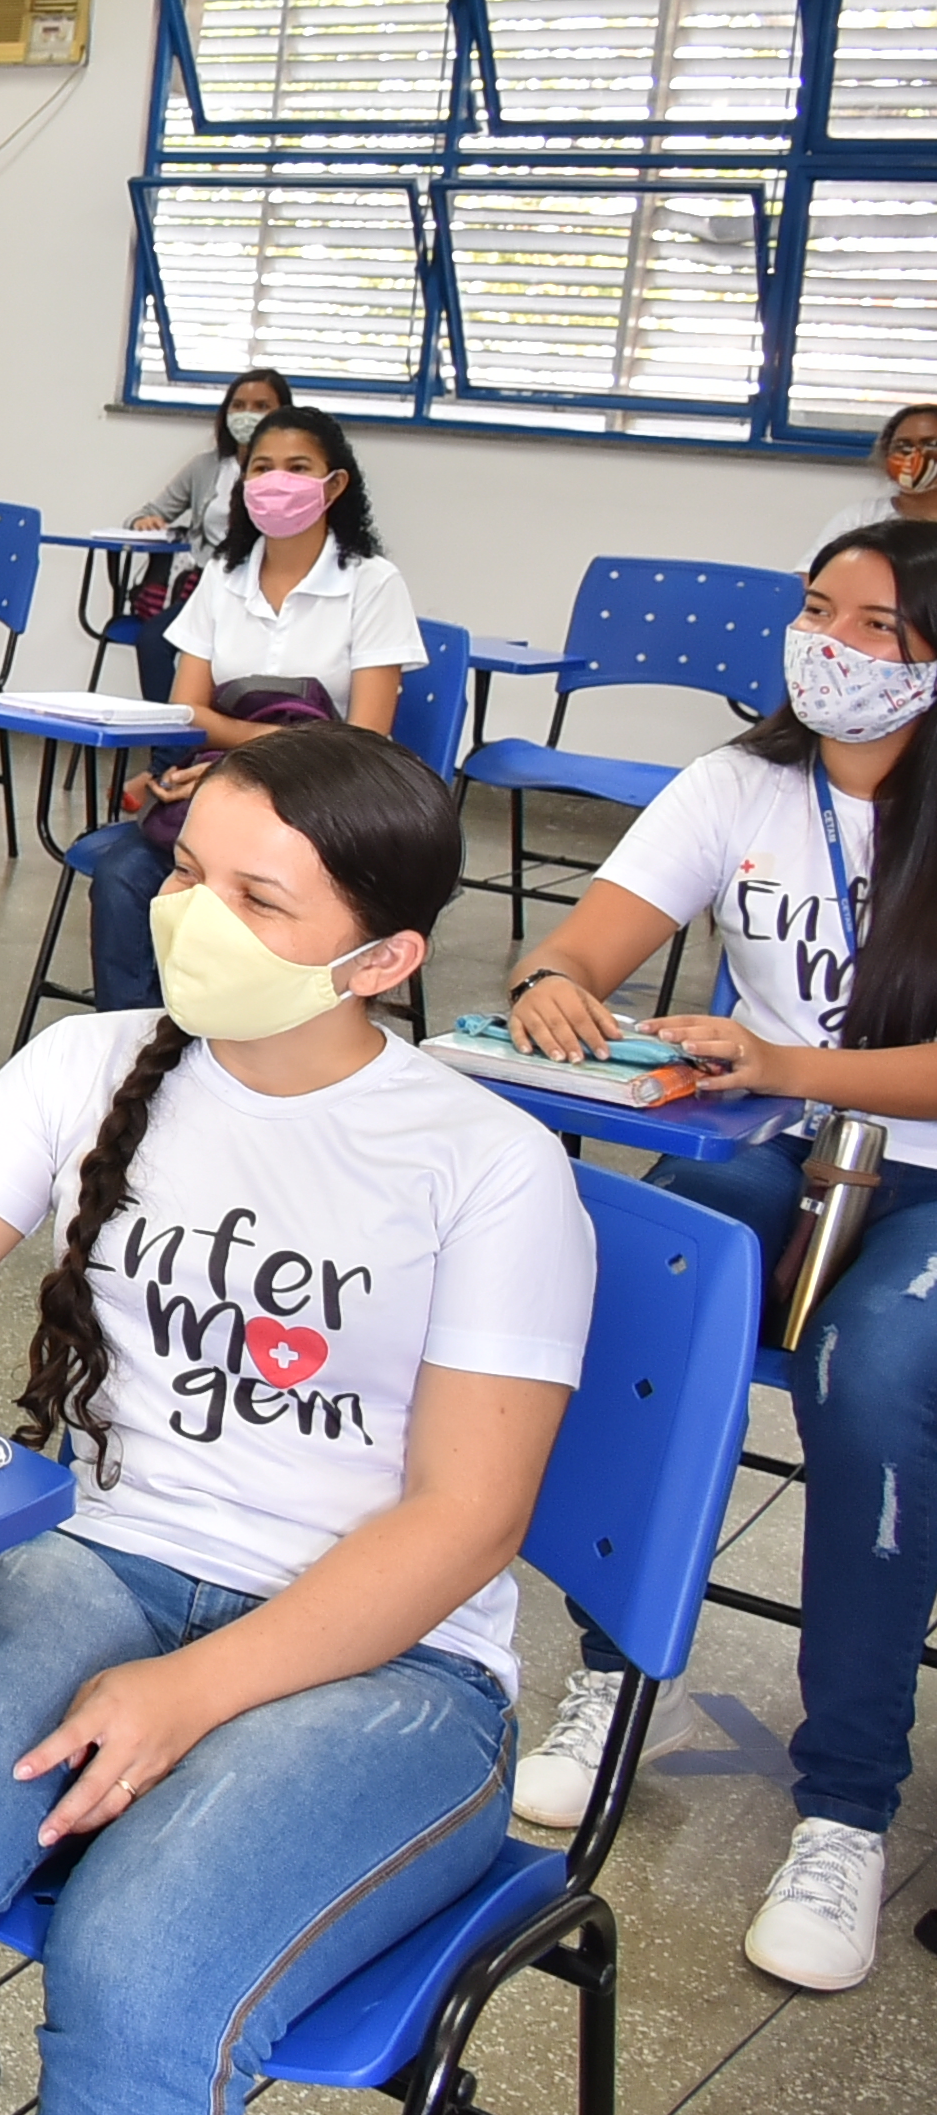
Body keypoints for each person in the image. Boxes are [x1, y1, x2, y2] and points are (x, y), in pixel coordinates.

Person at [0, 726, 589, 2115]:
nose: (191, 917)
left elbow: (469, 1517)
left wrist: (193, 1695)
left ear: (383, 960)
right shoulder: (89, 1064)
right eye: (187, 873)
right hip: (102, 1562)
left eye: (259, 901)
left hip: (396, 1665)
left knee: (137, 1969)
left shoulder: (492, 1166)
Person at [502, 519, 937, 1992]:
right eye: (820, 610)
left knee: (872, 1379)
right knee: (626, 1292)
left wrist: (787, 1058)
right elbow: (580, 944)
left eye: (876, 627)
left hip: (924, 1176)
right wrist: (557, 988)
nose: (833, 645)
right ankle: (614, 1674)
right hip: (775, 1151)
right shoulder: (738, 783)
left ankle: (847, 1809)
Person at [72, 405, 422, 1018]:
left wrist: (235, 759)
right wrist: (223, 768)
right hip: (221, 796)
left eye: (298, 467)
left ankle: (235, 1038)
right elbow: (186, 710)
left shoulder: (372, 582)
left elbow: (363, 740)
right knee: (126, 875)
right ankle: (138, 1042)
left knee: (254, 891)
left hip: (326, 800)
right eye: (262, 467)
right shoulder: (222, 576)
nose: (276, 480)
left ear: (334, 484)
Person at [122, 369, 294, 703]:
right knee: (154, 640)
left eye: (261, 406)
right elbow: (143, 514)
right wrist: (148, 522)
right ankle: (168, 743)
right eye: (238, 405)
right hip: (208, 585)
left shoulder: (291, 474)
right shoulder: (207, 467)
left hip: (266, 588)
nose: (247, 414)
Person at [806, 404, 937, 565]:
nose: (915, 455)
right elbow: (810, 577)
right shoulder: (861, 518)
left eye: (931, 444)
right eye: (903, 446)